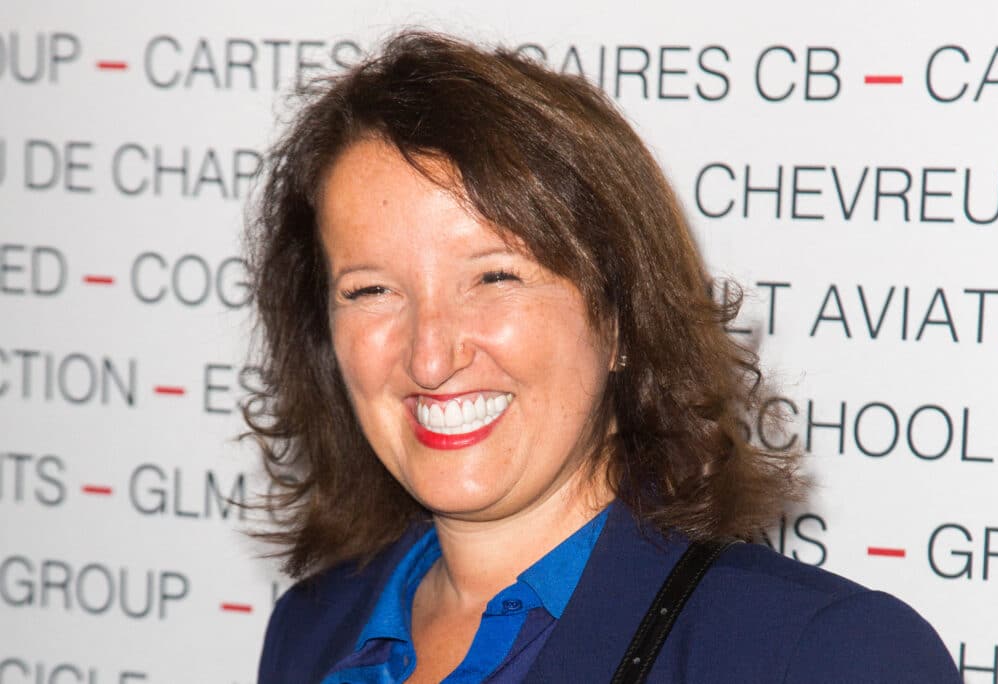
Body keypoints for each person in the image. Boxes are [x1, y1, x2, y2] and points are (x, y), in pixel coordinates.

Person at [246, 31, 960, 683]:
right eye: (370, 290)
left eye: (495, 277)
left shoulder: (820, 655)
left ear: (620, 318)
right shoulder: (309, 631)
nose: (430, 357)